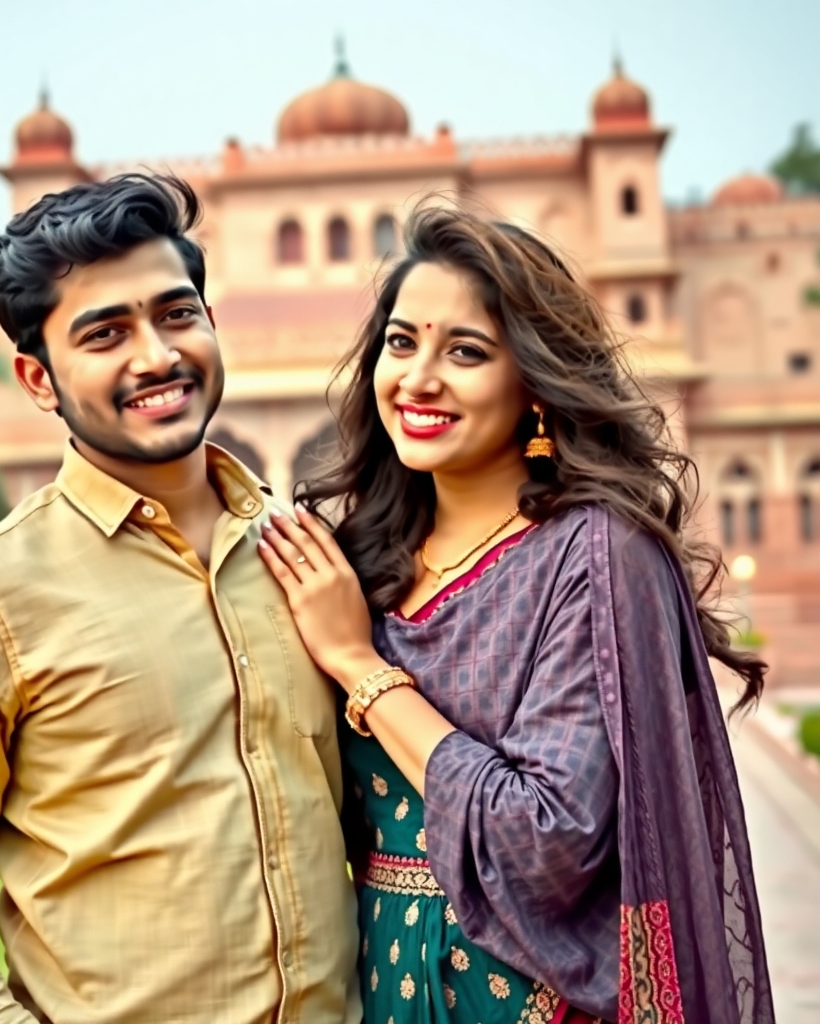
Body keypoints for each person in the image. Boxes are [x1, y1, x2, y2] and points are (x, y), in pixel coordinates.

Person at [258, 204, 775, 1024]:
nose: (418, 378)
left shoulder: (597, 556)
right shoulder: (354, 561)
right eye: (401, 342)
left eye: (465, 351)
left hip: (534, 1000)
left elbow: (546, 836)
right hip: (379, 986)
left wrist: (360, 667)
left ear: (534, 381)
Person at [0, 174, 361, 1024]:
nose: (157, 356)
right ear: (38, 378)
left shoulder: (309, 559)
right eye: (104, 334)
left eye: (176, 314)